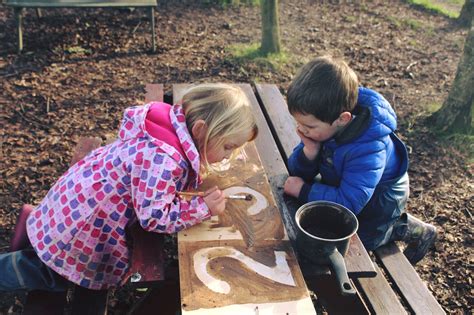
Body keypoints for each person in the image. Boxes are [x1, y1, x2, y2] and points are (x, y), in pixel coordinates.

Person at [0, 83, 258, 291]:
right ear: (201, 130)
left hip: (74, 202)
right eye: (228, 147)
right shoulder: (163, 160)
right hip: (81, 230)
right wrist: (201, 208)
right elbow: (154, 218)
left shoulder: (168, 127)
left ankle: (36, 230)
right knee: (49, 275)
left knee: (48, 256)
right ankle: (14, 264)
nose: (228, 156)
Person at [283, 56, 437, 264]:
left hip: (382, 199)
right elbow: (298, 171)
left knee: (361, 243)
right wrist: (309, 153)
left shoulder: (369, 148)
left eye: (308, 127)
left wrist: (305, 191)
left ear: (342, 119)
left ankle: (410, 229)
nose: (301, 130)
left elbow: (349, 203)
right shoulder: (324, 121)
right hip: (349, 182)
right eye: (299, 123)